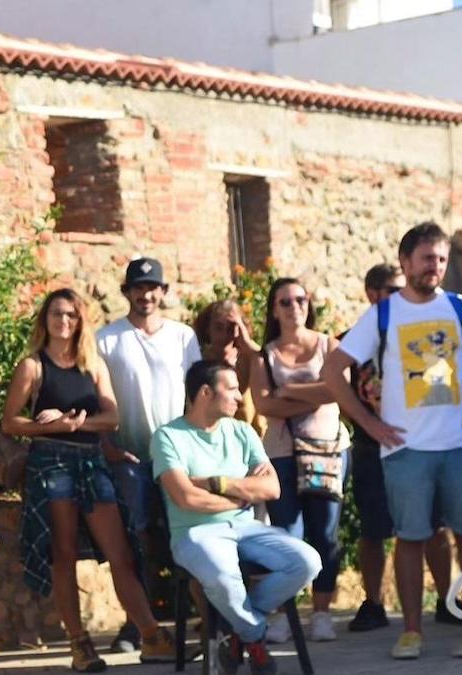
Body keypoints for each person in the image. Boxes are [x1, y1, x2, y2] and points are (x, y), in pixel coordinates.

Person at [321, 222, 462, 660]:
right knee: (410, 539)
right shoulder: (384, 314)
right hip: (406, 450)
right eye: (428, 258)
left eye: (442, 259)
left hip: (460, 445)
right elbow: (331, 372)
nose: (435, 267)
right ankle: (411, 631)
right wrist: (369, 426)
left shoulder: (460, 308)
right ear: (406, 261)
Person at [3, 288, 184, 672]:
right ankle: (79, 645)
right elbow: (10, 422)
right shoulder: (33, 366)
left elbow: (112, 418)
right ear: (44, 319)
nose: (63, 321)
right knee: (64, 555)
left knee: (120, 551)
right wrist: (42, 424)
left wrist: (74, 422)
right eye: (56, 314)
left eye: (71, 314)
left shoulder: (93, 364)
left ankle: (151, 636)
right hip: (50, 463)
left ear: (80, 320)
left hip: (91, 460)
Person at [153, 360, 322, 675]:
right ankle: (254, 636)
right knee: (222, 580)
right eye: (231, 389)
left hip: (247, 527)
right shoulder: (168, 437)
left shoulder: (242, 431)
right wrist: (242, 496)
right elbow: (185, 498)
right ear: (205, 392)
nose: (240, 397)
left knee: (308, 562)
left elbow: (271, 488)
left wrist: (218, 484)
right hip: (195, 533)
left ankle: (237, 632)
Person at [342, 264, 462, 632]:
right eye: (388, 288)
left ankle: (447, 600)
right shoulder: (355, 337)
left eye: (399, 287)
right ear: (371, 293)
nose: (396, 295)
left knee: (434, 526)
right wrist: (368, 424)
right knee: (374, 528)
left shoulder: (423, 331)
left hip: (421, 444)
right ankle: (374, 603)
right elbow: (337, 384)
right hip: (371, 445)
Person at [96, 257, 202, 652]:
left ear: (163, 292)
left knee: (187, 534)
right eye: (138, 288)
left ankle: (203, 618)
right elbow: (97, 399)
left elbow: (197, 394)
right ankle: (137, 625)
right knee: (134, 541)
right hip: (129, 457)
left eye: (152, 287)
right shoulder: (106, 339)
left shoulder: (183, 336)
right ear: (127, 292)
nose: (146, 295)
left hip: (176, 457)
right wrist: (108, 447)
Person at [248, 278, 348, 643]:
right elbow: (264, 404)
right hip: (281, 452)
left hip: (326, 450)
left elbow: (341, 387)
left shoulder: (328, 345)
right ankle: (283, 614)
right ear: (274, 309)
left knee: (324, 532)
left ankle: (321, 613)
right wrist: (318, 394)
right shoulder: (265, 355)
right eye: (285, 302)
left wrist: (288, 390)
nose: (294, 307)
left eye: (300, 300)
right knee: (286, 533)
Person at [194, 300, 264, 435]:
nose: (225, 334)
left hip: (248, 439)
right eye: (219, 327)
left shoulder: (249, 358)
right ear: (208, 329)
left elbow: (269, 364)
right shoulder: (200, 361)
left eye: (232, 327)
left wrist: (247, 342)